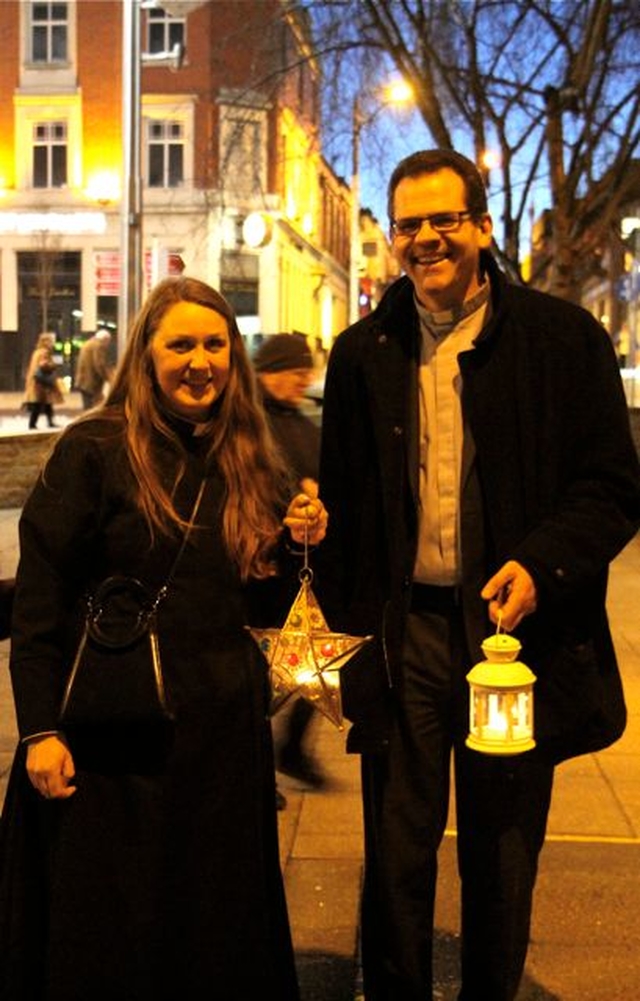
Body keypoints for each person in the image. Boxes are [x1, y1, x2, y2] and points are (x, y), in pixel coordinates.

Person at [316, 149, 640, 1001]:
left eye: (443, 220)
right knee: (396, 841)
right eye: (409, 224)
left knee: (502, 845)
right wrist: (348, 647)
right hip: (405, 634)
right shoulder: (362, 353)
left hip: (510, 639)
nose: (425, 238)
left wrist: (540, 564)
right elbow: (345, 508)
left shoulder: (562, 341)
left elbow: (613, 486)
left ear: (482, 226)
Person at [0, 276, 327, 1001]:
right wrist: (40, 730)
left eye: (216, 343)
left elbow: (265, 599)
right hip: (116, 736)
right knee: (117, 925)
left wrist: (303, 540)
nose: (200, 360)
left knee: (207, 925)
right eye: (181, 343)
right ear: (147, 354)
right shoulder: (95, 447)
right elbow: (42, 602)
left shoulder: (252, 454)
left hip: (219, 741)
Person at [253, 333, 325, 801]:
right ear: (266, 372)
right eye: (291, 371)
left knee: (314, 666)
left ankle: (293, 748)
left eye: (305, 371)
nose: (301, 379)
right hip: (261, 568)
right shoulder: (248, 425)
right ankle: (259, 772)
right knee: (259, 676)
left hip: (300, 566)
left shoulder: (303, 422)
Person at [24, 331, 62, 429]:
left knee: (46, 403)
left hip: (36, 381)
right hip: (41, 382)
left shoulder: (37, 352)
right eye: (51, 340)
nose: (53, 342)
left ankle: (48, 422)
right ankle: (33, 424)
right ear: (46, 341)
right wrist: (53, 365)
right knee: (39, 403)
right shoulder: (44, 352)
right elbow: (44, 365)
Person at [74, 325, 114, 409]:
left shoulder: (88, 343)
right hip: (91, 381)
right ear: (105, 339)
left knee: (87, 406)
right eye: (108, 341)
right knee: (92, 407)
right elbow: (99, 364)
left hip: (83, 380)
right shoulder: (99, 346)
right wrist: (110, 379)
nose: (108, 344)